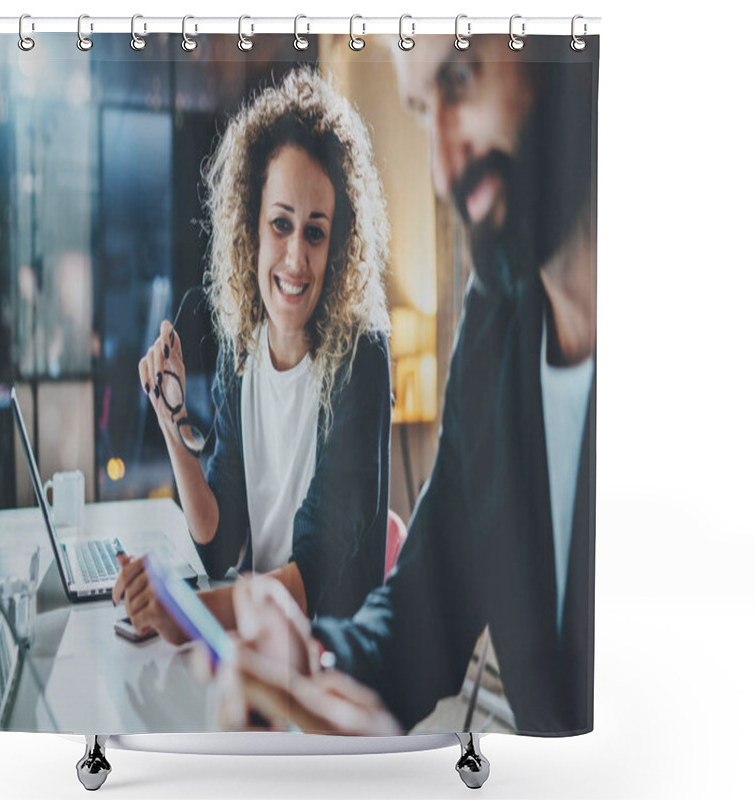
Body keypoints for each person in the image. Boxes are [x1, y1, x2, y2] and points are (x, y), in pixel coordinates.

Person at [213, 34, 598, 737]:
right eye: (423, 110)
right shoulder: (497, 318)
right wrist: (315, 662)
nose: (445, 170)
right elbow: (430, 601)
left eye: (460, 79)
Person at [112, 67, 393, 644]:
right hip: (258, 646)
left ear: (337, 245)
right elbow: (219, 543)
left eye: (315, 233)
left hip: (331, 664)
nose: (295, 259)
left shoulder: (359, 360)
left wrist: (187, 616)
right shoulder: (242, 351)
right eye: (281, 225)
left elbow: (310, 579)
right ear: (252, 229)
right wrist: (171, 422)